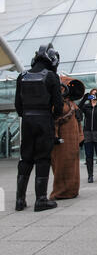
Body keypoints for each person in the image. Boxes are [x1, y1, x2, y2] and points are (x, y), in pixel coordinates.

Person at [15, 43, 63, 212]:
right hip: (44, 121)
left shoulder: (22, 76)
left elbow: (17, 105)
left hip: (27, 120)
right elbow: (58, 106)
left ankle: (19, 200)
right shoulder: (51, 77)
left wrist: (27, 115)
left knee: (25, 158)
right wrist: (51, 117)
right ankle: (41, 200)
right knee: (43, 158)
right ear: (52, 60)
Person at [50, 76, 85, 200]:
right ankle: (62, 191)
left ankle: (71, 190)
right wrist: (55, 136)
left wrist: (80, 137)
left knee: (72, 166)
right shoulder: (58, 103)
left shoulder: (72, 105)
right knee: (61, 165)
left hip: (72, 141)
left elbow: (78, 122)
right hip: (61, 142)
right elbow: (53, 121)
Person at [78, 88, 97, 182]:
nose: (93, 96)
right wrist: (84, 99)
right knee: (88, 155)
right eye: (92, 94)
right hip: (87, 133)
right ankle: (90, 176)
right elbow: (78, 109)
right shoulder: (87, 106)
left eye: (96, 94)